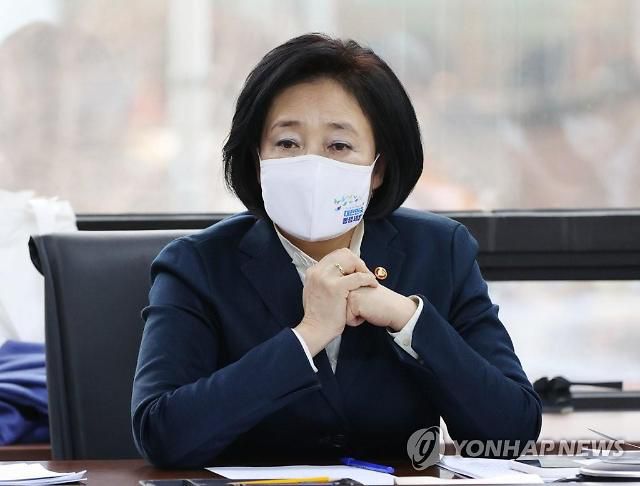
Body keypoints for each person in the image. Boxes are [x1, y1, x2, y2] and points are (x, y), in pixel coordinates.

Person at [131, 33, 541, 468]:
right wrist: (307, 335)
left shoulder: (441, 251)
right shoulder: (196, 265)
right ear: (257, 159)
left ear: (378, 169)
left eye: (338, 146)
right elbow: (162, 434)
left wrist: (409, 321)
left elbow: (511, 432)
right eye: (287, 143)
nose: (312, 164)